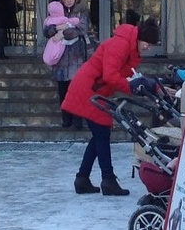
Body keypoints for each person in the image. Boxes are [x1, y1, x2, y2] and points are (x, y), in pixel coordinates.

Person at [61, 14, 161, 196]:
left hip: (94, 89)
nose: (148, 47)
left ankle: (82, 178)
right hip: (88, 89)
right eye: (148, 43)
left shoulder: (129, 47)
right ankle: (107, 180)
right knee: (102, 132)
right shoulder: (120, 44)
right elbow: (110, 75)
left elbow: (121, 74)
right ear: (139, 38)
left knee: (99, 134)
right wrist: (130, 86)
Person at [43, 0, 94, 127]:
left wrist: (61, 33)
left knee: (76, 89)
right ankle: (67, 119)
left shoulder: (81, 12)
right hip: (60, 57)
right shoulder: (57, 11)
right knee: (62, 90)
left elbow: (81, 29)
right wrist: (60, 28)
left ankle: (77, 120)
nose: (69, 1)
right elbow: (47, 30)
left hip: (76, 56)